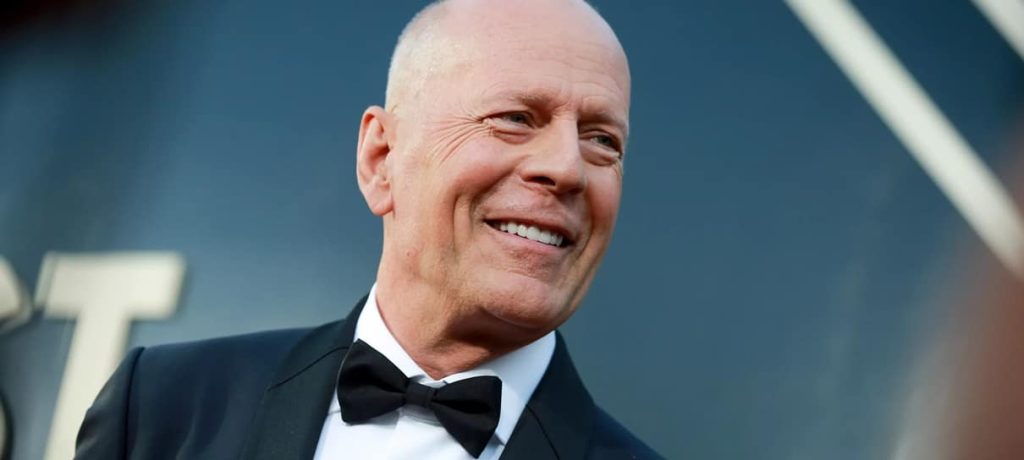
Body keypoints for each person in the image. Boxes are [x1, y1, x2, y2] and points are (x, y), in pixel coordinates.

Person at [75, 0, 661, 458]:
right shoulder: (161, 407)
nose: (567, 168)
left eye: (602, 140)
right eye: (515, 118)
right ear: (381, 159)